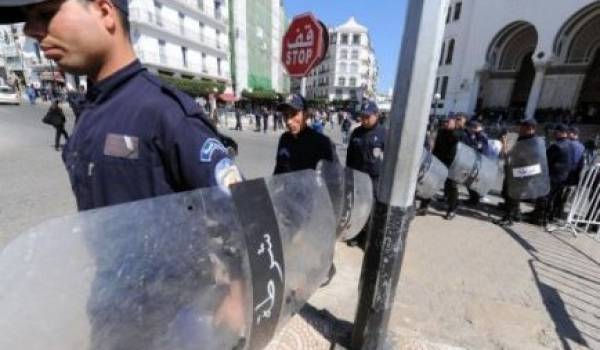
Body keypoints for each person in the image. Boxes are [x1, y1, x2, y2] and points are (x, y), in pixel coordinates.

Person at [5, 0, 244, 348]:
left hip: (171, 318)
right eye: (28, 20)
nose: (31, 31)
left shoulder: (164, 112)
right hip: (111, 309)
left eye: (45, 14)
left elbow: (239, 207)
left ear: (104, 11)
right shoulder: (90, 113)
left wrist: (237, 293)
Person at [345, 100, 386, 249]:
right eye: (362, 116)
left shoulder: (383, 133)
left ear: (376, 115)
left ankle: (368, 238)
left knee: (371, 210)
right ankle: (356, 235)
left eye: (368, 116)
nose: (364, 119)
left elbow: (388, 159)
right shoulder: (356, 132)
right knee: (357, 209)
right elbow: (350, 156)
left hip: (374, 180)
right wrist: (348, 176)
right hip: (357, 177)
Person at [273, 94, 338, 174]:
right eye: (286, 115)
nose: (288, 121)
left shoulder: (323, 143)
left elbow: (335, 178)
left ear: (306, 115)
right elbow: (278, 171)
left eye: (294, 114)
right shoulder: (284, 138)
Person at [494, 119, 537, 226]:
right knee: (514, 195)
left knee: (512, 195)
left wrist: (505, 146)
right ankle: (515, 214)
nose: (520, 129)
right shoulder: (523, 139)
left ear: (530, 129)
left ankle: (508, 219)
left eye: (522, 127)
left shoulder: (531, 142)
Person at [417, 115, 461, 220]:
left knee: (451, 188)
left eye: (448, 122)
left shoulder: (457, 133)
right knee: (429, 183)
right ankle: (424, 207)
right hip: (438, 162)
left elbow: (456, 139)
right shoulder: (441, 132)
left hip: (451, 165)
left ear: (454, 122)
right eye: (444, 122)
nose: (445, 123)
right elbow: (434, 145)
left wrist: (454, 127)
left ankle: (452, 209)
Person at [544, 124, 572, 224]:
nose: (554, 134)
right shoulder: (569, 144)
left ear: (561, 133)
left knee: (547, 196)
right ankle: (550, 217)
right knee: (556, 198)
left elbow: (546, 159)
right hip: (563, 176)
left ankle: (542, 216)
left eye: (556, 132)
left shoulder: (556, 146)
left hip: (553, 175)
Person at [463, 120, 490, 205]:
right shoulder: (468, 135)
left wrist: (479, 132)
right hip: (469, 161)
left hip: (477, 162)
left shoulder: (481, 136)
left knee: (472, 181)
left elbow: (482, 148)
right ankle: (473, 199)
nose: (470, 129)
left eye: (474, 127)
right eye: (470, 127)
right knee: (468, 181)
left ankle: (475, 200)